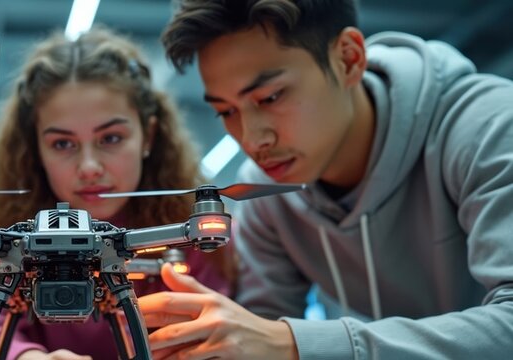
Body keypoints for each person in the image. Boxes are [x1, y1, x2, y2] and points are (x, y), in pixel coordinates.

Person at [136, 0, 513, 359]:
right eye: (226, 111)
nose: (252, 140)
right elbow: (257, 329)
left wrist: (295, 343)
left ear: (349, 59)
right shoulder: (267, 194)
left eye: (270, 97)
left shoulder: (488, 129)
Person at [0, 27, 237, 360]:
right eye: (63, 144)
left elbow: (209, 331)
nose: (89, 167)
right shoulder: (8, 235)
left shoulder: (194, 237)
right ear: (35, 151)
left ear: (148, 137)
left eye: (111, 138)